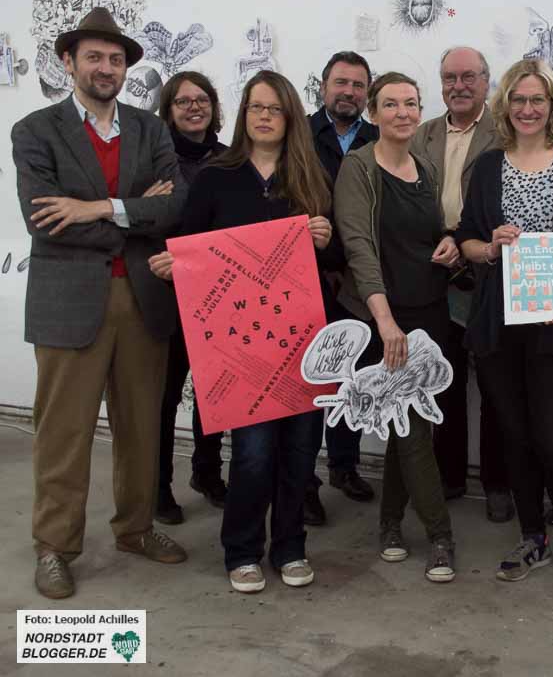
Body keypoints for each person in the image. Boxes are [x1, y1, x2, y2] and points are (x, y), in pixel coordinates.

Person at [13, 7, 188, 599]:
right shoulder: (36, 130)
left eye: (115, 59)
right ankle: (55, 546)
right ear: (69, 62)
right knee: (64, 432)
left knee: (142, 425)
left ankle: (135, 529)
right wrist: (134, 215)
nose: (106, 68)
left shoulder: (150, 129)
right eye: (94, 57)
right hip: (69, 301)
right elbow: (44, 218)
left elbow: (174, 205)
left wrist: (94, 207)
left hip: (142, 297)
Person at [149, 70, 339, 594]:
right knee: (253, 454)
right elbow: (191, 245)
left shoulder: (312, 177)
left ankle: (291, 547)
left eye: (274, 108)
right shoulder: (217, 176)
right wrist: (174, 264)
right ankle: (242, 549)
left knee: (301, 450)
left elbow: (337, 259)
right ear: (243, 114)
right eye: (256, 107)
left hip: (304, 339)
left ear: (290, 116)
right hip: (242, 345)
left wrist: (325, 240)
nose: (264, 116)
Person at [456, 59, 553, 587]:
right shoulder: (487, 167)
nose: (527, 109)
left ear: (551, 106)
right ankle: (532, 538)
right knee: (515, 436)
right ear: (505, 106)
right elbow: (467, 239)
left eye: (537, 99)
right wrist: (489, 246)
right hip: (499, 325)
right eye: (518, 100)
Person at [334, 71, 459, 584]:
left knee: (407, 426)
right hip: (386, 318)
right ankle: (440, 535)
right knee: (412, 429)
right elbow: (359, 248)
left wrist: (451, 244)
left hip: (430, 315)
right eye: (390, 104)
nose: (403, 113)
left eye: (411, 103)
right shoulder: (358, 167)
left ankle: (389, 523)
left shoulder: (425, 167)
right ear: (373, 113)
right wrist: (386, 323)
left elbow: (431, 234)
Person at [411, 46, 513, 521]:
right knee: (444, 380)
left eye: (469, 76)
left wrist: (466, 239)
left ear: (487, 82)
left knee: (495, 384)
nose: (459, 86)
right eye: (450, 77)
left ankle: (497, 483)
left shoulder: (504, 132)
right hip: (436, 274)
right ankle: (449, 475)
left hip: (490, 273)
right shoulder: (423, 134)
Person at [305, 51, 379, 524]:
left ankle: (344, 466)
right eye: (340, 83)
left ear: (367, 93)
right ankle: (303, 483)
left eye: (357, 85)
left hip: (357, 283)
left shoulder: (378, 138)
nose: (348, 92)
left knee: (351, 377)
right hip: (307, 279)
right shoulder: (299, 135)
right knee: (310, 384)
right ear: (323, 86)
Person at [154, 70, 228, 525]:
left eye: (202, 99)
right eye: (183, 101)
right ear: (168, 110)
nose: (194, 107)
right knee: (164, 398)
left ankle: (207, 472)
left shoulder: (228, 158)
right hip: (167, 296)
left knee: (214, 392)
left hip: (217, 295)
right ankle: (159, 486)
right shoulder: (155, 160)